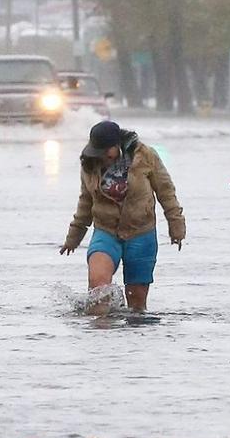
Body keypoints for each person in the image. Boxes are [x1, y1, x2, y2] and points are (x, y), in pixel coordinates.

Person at [60, 120, 186, 313]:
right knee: (98, 290)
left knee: (136, 307)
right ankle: (99, 335)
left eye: (106, 151)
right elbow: (86, 202)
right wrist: (73, 238)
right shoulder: (89, 163)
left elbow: (166, 192)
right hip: (105, 232)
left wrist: (176, 225)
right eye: (98, 152)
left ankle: (128, 342)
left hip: (141, 233)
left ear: (117, 145)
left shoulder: (145, 156)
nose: (103, 157)